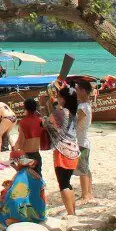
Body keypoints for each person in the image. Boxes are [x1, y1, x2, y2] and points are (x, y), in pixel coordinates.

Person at [41, 85, 80, 218]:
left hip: (63, 151)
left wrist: (45, 110)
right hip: (74, 150)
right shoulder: (74, 113)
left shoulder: (61, 112)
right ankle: (72, 211)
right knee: (67, 183)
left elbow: (47, 122)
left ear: (63, 98)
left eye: (59, 97)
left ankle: (70, 213)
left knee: (63, 184)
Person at [74, 79, 94, 204]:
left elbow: (76, 122)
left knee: (82, 169)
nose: (76, 92)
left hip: (81, 142)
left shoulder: (82, 107)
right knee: (85, 168)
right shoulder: (86, 106)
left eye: (77, 90)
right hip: (84, 140)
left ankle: (85, 194)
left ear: (83, 91)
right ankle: (89, 192)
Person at [17, 98, 45, 174]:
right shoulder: (40, 121)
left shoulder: (23, 122)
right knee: (38, 178)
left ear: (25, 108)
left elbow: (20, 142)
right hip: (37, 154)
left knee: (26, 181)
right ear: (35, 108)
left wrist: (15, 148)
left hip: (26, 156)